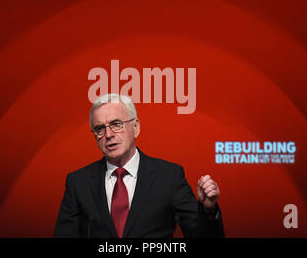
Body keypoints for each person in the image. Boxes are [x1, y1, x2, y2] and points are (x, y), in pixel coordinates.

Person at [54, 93, 224, 238]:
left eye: (116, 124)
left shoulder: (169, 176)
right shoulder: (78, 182)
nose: (108, 134)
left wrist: (208, 210)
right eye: (100, 129)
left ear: (135, 127)